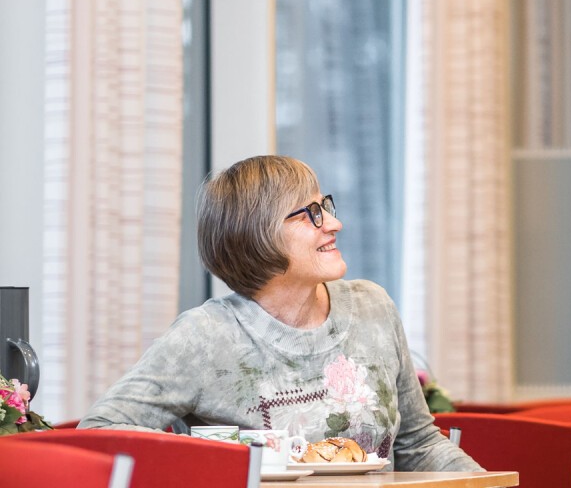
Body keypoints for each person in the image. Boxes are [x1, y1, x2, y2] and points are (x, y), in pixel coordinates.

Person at [81, 155, 481, 473]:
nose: (335, 223)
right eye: (310, 213)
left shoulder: (372, 306)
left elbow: (417, 444)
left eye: (326, 206)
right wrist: (223, 453)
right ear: (255, 232)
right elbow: (99, 432)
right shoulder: (205, 336)